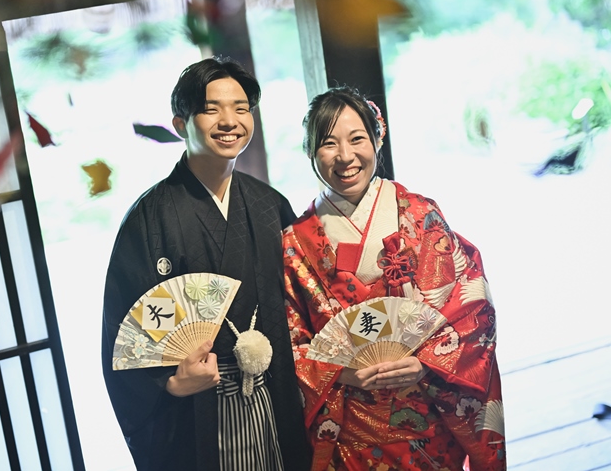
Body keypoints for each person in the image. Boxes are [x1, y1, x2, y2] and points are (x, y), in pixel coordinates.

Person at [101, 57, 310, 471]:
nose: (229, 121)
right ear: (181, 124)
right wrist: (171, 383)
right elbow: (123, 334)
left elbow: (304, 303)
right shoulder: (150, 218)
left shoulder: (269, 205)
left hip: (274, 393)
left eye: (241, 108)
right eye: (212, 109)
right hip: (197, 407)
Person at [283, 86, 506, 470]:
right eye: (329, 144)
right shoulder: (295, 243)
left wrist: (427, 363)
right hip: (350, 431)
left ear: (377, 139)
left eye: (357, 139)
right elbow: (291, 341)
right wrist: (343, 371)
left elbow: (470, 307)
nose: (345, 156)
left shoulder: (420, 215)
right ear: (310, 151)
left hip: (429, 420)